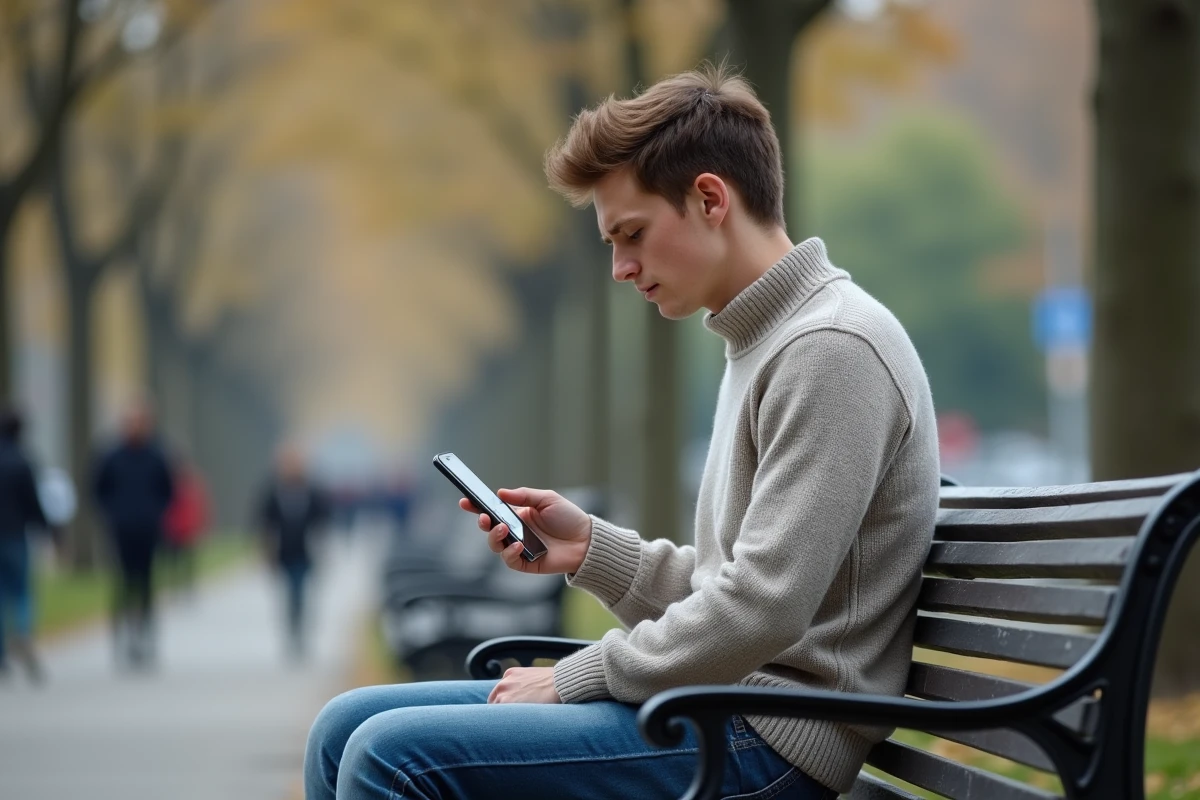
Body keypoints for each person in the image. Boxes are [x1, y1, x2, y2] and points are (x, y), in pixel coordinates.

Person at [305, 64, 940, 799]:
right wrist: (593, 552)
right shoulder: (768, 340)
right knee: (344, 726)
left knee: (389, 757)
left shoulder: (831, 349)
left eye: (630, 234)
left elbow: (762, 607)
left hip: (767, 739)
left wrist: (578, 677)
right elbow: (734, 587)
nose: (619, 267)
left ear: (709, 199)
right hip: (726, 706)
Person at [93, 403, 175, 670]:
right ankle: (123, 636)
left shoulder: (157, 455)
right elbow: (98, 488)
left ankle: (146, 636)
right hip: (121, 528)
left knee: (147, 582)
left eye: (141, 422)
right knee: (123, 583)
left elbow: (169, 489)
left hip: (149, 529)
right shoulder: (112, 456)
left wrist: (156, 512)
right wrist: (112, 513)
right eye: (131, 422)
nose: (136, 427)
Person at [0, 408, 59, 684]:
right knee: (21, 592)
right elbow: (34, 501)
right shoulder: (23, 460)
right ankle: (23, 635)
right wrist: (49, 530)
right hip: (14, 535)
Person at [257, 444, 329, 661]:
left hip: (305, 552)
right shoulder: (274, 491)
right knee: (289, 594)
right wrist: (266, 551)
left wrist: (323, 548)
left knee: (301, 593)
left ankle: (300, 631)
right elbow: (266, 523)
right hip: (284, 552)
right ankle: (292, 630)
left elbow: (323, 520)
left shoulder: (312, 491)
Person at [162, 457, 210, 598]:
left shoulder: (191, 486)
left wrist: (200, 525)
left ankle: (186, 585)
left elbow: (199, 507)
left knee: (187, 560)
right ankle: (176, 585)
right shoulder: (170, 485)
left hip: (187, 529)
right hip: (174, 529)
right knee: (175, 560)